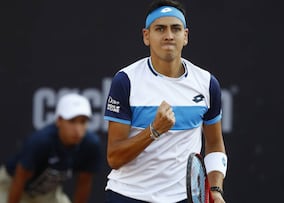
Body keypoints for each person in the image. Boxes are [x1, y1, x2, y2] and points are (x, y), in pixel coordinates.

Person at [103, 0, 228, 202]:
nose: (169, 35)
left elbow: (214, 145)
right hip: (128, 195)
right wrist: (154, 130)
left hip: (182, 198)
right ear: (147, 36)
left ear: (185, 36)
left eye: (175, 29)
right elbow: (114, 158)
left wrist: (215, 189)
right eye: (160, 29)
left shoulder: (207, 83)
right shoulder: (126, 80)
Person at [0, 93, 102, 203]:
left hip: (46, 194)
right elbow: (19, 180)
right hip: (10, 187)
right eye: (72, 121)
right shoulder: (41, 141)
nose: (78, 129)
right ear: (58, 120)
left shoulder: (91, 145)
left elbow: (84, 184)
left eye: (83, 122)